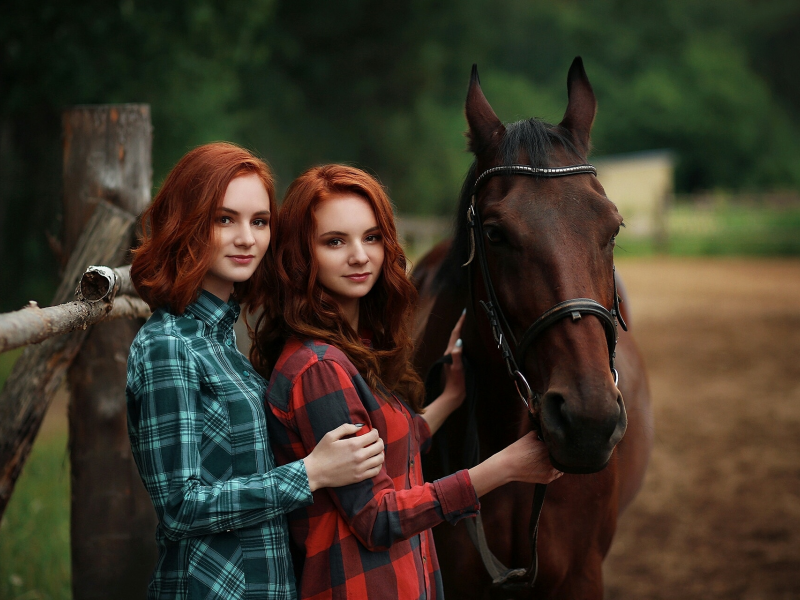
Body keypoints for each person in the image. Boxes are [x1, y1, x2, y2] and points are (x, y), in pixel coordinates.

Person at [255, 164, 562, 600]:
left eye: (372, 237)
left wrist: (449, 399)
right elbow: (376, 518)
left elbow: (385, 451)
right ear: (302, 256)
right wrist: (505, 466)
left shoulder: (352, 350)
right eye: (335, 242)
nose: (360, 255)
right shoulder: (319, 368)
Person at [126, 143, 385, 600]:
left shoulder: (219, 337)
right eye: (224, 219)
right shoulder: (169, 344)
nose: (247, 238)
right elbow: (180, 507)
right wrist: (310, 473)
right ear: (185, 222)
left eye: (259, 221)